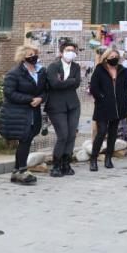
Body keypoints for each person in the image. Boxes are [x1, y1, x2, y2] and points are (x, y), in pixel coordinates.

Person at [0, 46, 44, 186]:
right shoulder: (14, 73)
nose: (33, 56)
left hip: (33, 112)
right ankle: (21, 170)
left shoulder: (40, 71)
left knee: (27, 140)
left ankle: (17, 171)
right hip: (19, 113)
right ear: (23, 57)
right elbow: (9, 93)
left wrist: (41, 98)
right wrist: (30, 99)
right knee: (24, 140)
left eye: (34, 54)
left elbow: (45, 90)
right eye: (30, 54)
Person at [43, 40, 82, 178]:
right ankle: (56, 165)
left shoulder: (76, 67)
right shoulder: (53, 66)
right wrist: (69, 82)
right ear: (61, 52)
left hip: (73, 105)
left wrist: (65, 82)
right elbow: (54, 84)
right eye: (68, 50)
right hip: (56, 105)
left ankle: (66, 163)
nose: (71, 53)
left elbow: (77, 83)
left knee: (71, 135)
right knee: (63, 135)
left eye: (73, 50)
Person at [89, 48, 127, 171]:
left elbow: (126, 86)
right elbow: (94, 88)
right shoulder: (99, 69)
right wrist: (102, 97)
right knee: (101, 132)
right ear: (106, 58)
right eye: (111, 56)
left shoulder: (122, 70)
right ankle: (93, 159)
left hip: (118, 106)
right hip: (103, 106)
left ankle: (108, 158)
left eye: (116, 56)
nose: (114, 59)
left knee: (113, 133)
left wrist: (124, 97)